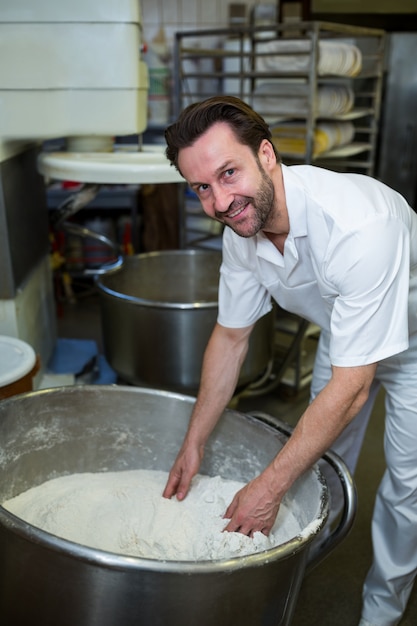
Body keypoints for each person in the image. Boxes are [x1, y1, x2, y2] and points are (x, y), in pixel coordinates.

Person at [162, 95, 417, 626]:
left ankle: (382, 609)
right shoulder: (243, 230)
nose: (220, 201)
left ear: (267, 154)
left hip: (415, 344)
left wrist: (266, 489)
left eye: (228, 173)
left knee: (406, 484)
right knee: (322, 466)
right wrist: (194, 441)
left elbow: (351, 391)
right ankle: (305, 555)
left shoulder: (358, 225)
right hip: (344, 334)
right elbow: (230, 340)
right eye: (202, 188)